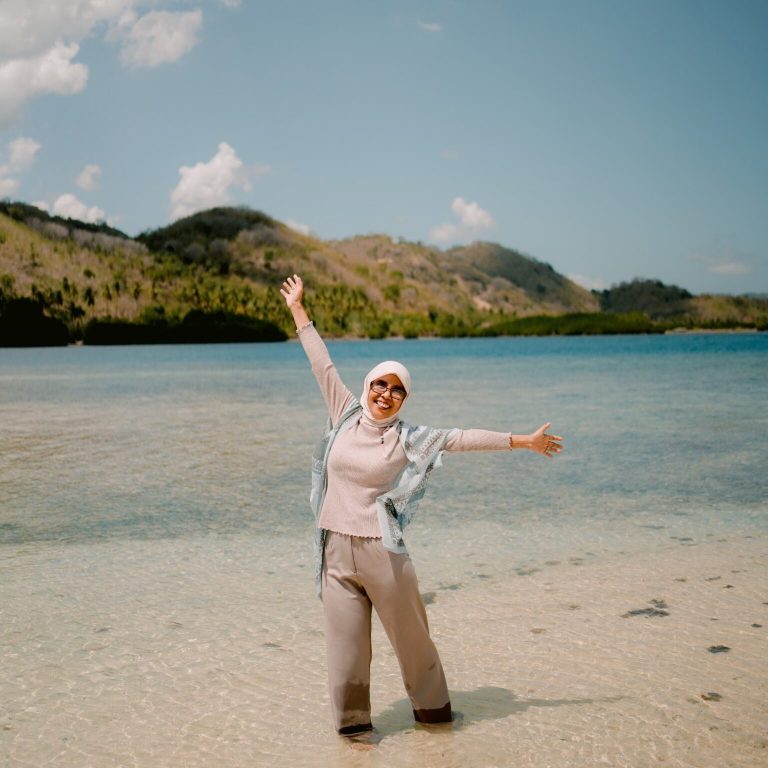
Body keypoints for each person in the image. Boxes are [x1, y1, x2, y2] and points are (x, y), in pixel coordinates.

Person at [280, 274, 563, 737]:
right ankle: (354, 737)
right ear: (368, 384)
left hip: (383, 554)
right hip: (334, 553)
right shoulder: (344, 413)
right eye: (380, 384)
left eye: (397, 390)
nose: (385, 394)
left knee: (413, 643)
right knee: (345, 653)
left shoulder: (410, 438)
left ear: (404, 398)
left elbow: (463, 438)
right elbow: (321, 363)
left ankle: (435, 723)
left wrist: (522, 441)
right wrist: (297, 309)